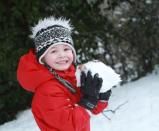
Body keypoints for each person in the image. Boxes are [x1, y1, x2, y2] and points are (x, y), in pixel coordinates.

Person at [17, 16, 111, 131]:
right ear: (42, 58)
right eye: (53, 51)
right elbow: (69, 125)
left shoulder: (71, 77)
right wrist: (88, 102)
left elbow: (89, 111)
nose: (62, 55)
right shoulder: (47, 90)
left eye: (66, 49)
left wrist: (101, 98)